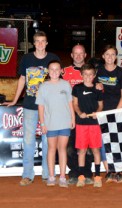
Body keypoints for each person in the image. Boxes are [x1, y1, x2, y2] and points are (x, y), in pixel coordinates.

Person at [4, 31, 60, 186]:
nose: (40, 44)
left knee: (48, 140)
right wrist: (16, 100)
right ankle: (28, 174)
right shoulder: (27, 58)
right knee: (28, 140)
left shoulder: (53, 58)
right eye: (38, 41)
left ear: (47, 43)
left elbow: (57, 81)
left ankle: (47, 173)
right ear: (33, 43)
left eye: (43, 41)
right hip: (29, 105)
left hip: (49, 107)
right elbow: (22, 79)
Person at [36, 60, 75, 187]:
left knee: (62, 149)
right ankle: (51, 176)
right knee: (51, 149)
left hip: (65, 122)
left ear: (61, 71)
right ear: (48, 71)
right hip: (50, 124)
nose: (54, 72)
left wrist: (73, 119)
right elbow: (41, 107)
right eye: (51, 69)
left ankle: (63, 176)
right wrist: (42, 124)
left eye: (57, 69)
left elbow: (70, 104)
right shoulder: (43, 86)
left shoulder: (66, 85)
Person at [95, 44, 122, 183]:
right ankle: (109, 171)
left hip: (117, 112)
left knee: (117, 142)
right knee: (104, 142)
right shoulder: (98, 72)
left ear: (116, 56)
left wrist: (117, 111)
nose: (110, 57)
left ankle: (118, 171)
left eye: (112, 54)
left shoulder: (121, 73)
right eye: (107, 54)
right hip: (102, 113)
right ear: (103, 56)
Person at [62, 44, 95, 185]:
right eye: (76, 53)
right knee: (70, 147)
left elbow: (98, 89)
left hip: (86, 117)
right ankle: (74, 173)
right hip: (69, 116)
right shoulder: (64, 72)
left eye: (81, 53)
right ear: (71, 55)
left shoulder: (91, 72)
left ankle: (87, 173)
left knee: (87, 148)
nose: (78, 56)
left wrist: (99, 85)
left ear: (85, 55)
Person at [72, 63, 103, 188]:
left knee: (96, 150)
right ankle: (81, 176)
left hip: (95, 124)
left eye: (90, 74)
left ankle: (97, 176)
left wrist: (98, 113)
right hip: (81, 124)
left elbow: (101, 105)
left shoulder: (98, 88)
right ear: (81, 75)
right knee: (82, 150)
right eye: (85, 74)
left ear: (94, 75)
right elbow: (75, 104)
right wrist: (79, 113)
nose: (88, 77)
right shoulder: (77, 88)